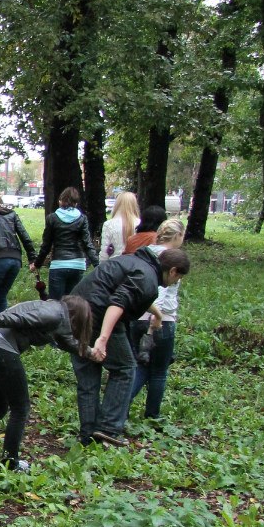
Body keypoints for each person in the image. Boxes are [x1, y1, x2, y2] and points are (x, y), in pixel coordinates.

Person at [0, 296, 94, 472]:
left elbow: (66, 341)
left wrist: (91, 353)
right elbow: (18, 319)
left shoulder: (54, 314)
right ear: (76, 315)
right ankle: (11, 462)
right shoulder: (54, 314)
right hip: (0, 348)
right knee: (21, 408)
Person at [69, 246, 191, 447]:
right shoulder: (148, 278)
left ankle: (88, 435)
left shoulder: (137, 264)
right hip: (98, 316)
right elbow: (117, 303)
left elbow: (132, 293)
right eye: (178, 278)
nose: (176, 282)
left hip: (74, 312)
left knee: (88, 371)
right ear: (173, 271)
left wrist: (158, 315)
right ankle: (108, 429)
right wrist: (103, 338)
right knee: (125, 368)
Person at [130, 219, 185, 419]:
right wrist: (156, 319)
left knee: (140, 365)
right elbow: (157, 293)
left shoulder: (145, 252)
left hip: (136, 316)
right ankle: (152, 415)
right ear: (178, 236)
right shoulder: (171, 260)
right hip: (161, 320)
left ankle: (120, 408)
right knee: (158, 371)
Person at [31, 187, 97, 300]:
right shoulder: (82, 218)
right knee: (73, 304)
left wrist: (37, 264)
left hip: (59, 264)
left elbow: (46, 246)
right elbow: (87, 244)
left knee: (55, 304)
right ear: (76, 203)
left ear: (61, 201)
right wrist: (98, 265)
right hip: (78, 265)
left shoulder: (52, 218)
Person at [100, 191, 139, 261]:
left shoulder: (109, 224)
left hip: (115, 265)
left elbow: (105, 252)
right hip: (135, 265)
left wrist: (102, 267)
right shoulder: (139, 223)